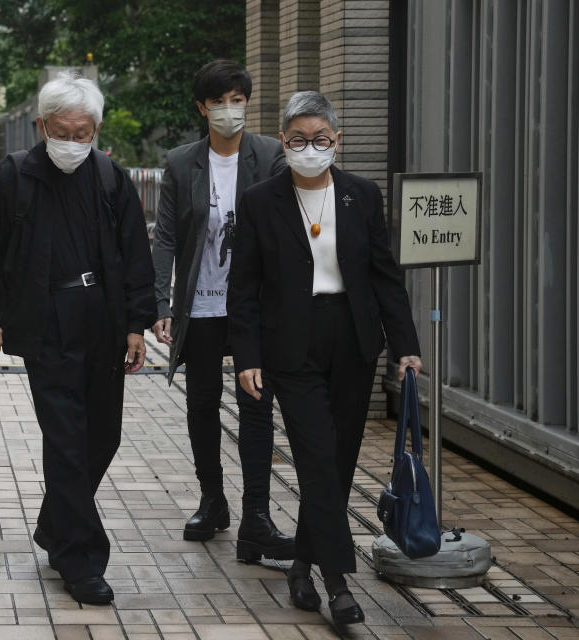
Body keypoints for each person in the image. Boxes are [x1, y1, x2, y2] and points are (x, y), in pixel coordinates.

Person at [0, 72, 156, 605]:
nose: (73, 143)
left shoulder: (111, 178)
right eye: (63, 132)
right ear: (42, 126)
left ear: (96, 131)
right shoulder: (14, 177)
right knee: (66, 442)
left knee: (103, 437)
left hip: (104, 322)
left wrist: (137, 324)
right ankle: (81, 559)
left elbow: (137, 256)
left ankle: (54, 523)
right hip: (46, 324)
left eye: (84, 133)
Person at [228, 91, 422, 625]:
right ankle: (337, 584)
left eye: (319, 139)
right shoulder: (261, 200)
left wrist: (406, 345)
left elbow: (384, 275)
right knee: (315, 456)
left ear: (336, 140)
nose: (309, 148)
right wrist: (246, 354)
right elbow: (243, 287)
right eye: (298, 140)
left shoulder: (362, 194)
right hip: (290, 343)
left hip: (353, 339)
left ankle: (302, 564)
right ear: (284, 142)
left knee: (337, 463)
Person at [151, 60, 294, 560]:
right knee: (201, 406)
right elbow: (166, 236)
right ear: (202, 108)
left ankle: (257, 515)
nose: (230, 111)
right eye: (219, 102)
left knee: (256, 407)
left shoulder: (271, 156)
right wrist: (162, 303)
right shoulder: (180, 162)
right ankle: (213, 500)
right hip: (202, 304)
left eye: (238, 101)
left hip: (251, 307)